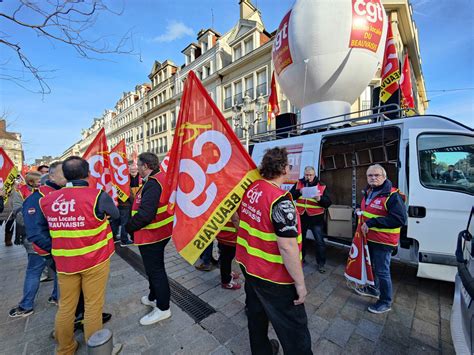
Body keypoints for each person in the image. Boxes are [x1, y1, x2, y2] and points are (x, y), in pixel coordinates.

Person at [38, 156, 119, 354]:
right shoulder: (97, 196)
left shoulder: (46, 201)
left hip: (65, 262)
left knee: (66, 307)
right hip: (94, 260)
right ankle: (97, 349)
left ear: (65, 175)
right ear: (88, 174)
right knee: (92, 306)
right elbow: (115, 215)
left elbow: (45, 228)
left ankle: (65, 348)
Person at [236, 147, 312, 355]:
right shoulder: (280, 200)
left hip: (250, 268)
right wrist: (300, 284)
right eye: (289, 165)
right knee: (294, 331)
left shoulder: (252, 188)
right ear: (284, 169)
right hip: (275, 277)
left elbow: (239, 220)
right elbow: (287, 247)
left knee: (257, 317)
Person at [126, 152, 173, 326]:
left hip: (153, 235)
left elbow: (146, 214)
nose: (136, 168)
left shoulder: (153, 183)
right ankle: (153, 296)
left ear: (145, 166)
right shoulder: (159, 178)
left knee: (156, 271)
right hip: (158, 232)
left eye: (138, 165)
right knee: (152, 269)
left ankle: (163, 308)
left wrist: (129, 226)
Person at [355, 164, 407, 314]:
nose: (373, 178)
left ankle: (385, 301)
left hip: (384, 241)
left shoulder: (392, 195)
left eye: (377, 175)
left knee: (382, 271)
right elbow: (370, 208)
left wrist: (372, 222)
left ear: (384, 177)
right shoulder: (369, 191)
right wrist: (360, 210)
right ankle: (374, 289)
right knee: (373, 267)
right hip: (369, 238)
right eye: (370, 175)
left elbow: (399, 219)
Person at [8, 171, 58, 318]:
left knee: (55, 271)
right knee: (34, 272)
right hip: (35, 241)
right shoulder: (21, 193)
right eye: (38, 180)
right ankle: (26, 305)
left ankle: (55, 296)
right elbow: (20, 216)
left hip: (49, 240)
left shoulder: (51, 193)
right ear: (30, 182)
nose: (40, 183)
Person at [290, 166, 331, 273]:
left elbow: (328, 203)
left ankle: (321, 264)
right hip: (301, 217)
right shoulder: (299, 184)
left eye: (310, 175)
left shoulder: (322, 185)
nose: (308, 177)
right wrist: (299, 192)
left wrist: (319, 199)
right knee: (301, 240)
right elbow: (290, 196)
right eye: (306, 175)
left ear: (314, 175)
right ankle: (301, 258)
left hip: (316, 218)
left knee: (319, 242)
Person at [216, 212, 241, 290]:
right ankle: (226, 281)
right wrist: (242, 233)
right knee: (226, 259)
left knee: (225, 257)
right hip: (230, 236)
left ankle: (228, 273)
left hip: (222, 233)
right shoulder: (231, 199)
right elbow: (235, 219)